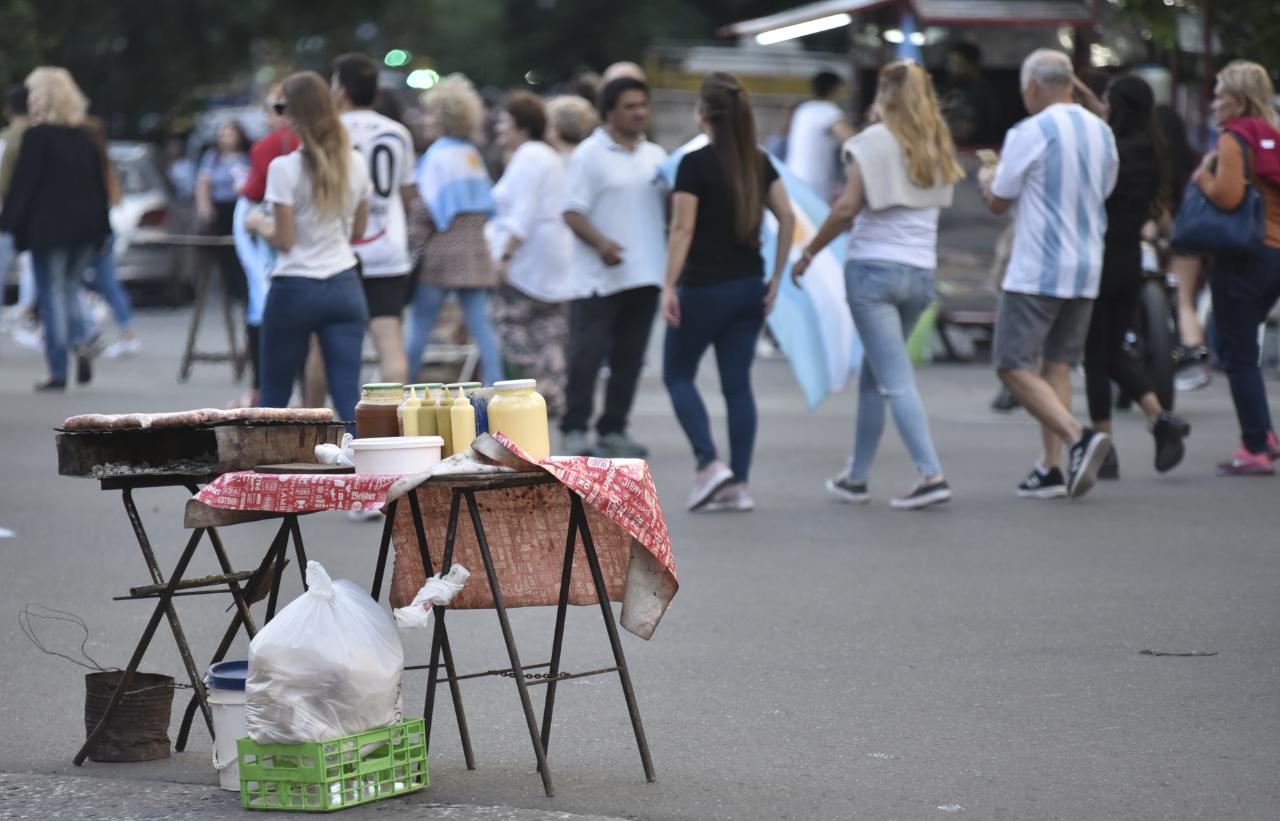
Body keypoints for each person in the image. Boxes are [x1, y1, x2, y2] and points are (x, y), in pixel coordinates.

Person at [793, 60, 962, 510]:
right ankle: (857, 476)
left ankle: (931, 475)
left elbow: (848, 208)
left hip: (873, 272)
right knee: (877, 375)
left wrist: (810, 251)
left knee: (895, 380)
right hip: (920, 274)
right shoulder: (936, 141)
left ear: (882, 94)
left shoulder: (871, 141)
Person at [980, 49, 1118, 499]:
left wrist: (987, 176)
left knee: (1012, 364)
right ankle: (1051, 467)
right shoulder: (1102, 132)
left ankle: (1079, 438)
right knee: (1056, 364)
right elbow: (1106, 189)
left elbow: (1000, 198)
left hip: (1038, 267)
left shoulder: (1029, 131)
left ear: (1034, 88)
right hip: (1086, 267)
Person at [661, 72, 793, 512]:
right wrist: (775, 278)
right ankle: (739, 484)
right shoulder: (759, 161)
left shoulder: (693, 164)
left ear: (703, 113)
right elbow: (789, 218)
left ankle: (708, 463)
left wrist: (667, 285)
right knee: (737, 387)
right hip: (748, 288)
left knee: (678, 375)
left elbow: (682, 229)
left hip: (703, 287)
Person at [245, 71, 371, 427]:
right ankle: (368, 474)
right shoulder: (355, 163)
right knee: (348, 395)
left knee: (275, 395)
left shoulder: (283, 169)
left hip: (294, 288)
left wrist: (257, 223)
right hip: (344, 283)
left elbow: (284, 240)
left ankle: (266, 477)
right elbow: (358, 230)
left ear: (292, 114)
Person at [1080, 76, 1191, 478]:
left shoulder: (1111, 152)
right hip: (1131, 261)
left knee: (1095, 356)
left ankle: (1103, 448)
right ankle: (1160, 420)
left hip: (1101, 259)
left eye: (1109, 101)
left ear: (1119, 107)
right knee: (1112, 352)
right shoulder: (1151, 152)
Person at [560, 77, 668, 458]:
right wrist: (601, 243)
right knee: (586, 357)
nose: (639, 112)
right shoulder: (590, 154)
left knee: (630, 358)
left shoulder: (656, 155)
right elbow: (571, 211)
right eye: (629, 106)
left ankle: (614, 429)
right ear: (609, 112)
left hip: (646, 274)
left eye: (643, 104)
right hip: (599, 278)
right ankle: (574, 428)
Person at [1192, 60, 1280, 476]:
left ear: (1239, 100)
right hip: (1276, 255)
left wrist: (1201, 178)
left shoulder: (1234, 139)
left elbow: (1227, 198)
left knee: (1239, 355)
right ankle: (1264, 431)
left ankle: (1256, 446)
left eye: (1220, 94)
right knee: (1238, 348)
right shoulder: (1275, 135)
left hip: (1244, 255)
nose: (1213, 103)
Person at [0, 67, 109, 391]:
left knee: (52, 295)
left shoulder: (37, 136)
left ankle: (58, 369)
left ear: (42, 98)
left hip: (48, 230)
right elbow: (98, 186)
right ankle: (82, 338)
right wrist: (103, 231)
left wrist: (10, 225)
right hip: (85, 230)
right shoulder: (84, 136)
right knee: (69, 288)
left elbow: (25, 187)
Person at [403, 74, 503, 385]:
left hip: (442, 248)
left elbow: (426, 208)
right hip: (475, 248)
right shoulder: (471, 154)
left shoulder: (437, 155)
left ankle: (403, 383)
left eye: (431, 113)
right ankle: (497, 386)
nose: (425, 120)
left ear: (443, 117)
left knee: (421, 321)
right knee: (480, 324)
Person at [332, 53, 418, 386]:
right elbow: (408, 194)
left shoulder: (329, 132)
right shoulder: (397, 132)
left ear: (341, 91)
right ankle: (393, 428)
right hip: (388, 250)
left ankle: (317, 422)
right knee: (390, 344)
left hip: (338, 252)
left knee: (325, 348)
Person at [489, 91, 574, 417]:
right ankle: (554, 397)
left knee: (508, 323)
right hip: (554, 260)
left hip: (527, 263)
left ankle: (537, 394)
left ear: (522, 127)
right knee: (550, 333)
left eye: (504, 122)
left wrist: (504, 258)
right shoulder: (550, 157)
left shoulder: (527, 158)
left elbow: (520, 216)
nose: (499, 128)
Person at [232, 83, 297, 404]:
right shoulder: (318, 146)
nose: (269, 116)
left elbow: (254, 192)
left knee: (262, 303)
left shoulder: (270, 148)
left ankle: (264, 393)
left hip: (267, 232)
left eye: (274, 109)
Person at [1155, 105, 1212, 391]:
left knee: (1158, 300)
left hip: (1158, 238)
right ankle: (1195, 356)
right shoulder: (1190, 162)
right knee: (1184, 300)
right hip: (1189, 240)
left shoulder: (1154, 161)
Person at [83, 115, 139, 358]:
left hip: (96, 233)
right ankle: (120, 330)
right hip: (102, 232)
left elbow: (99, 205)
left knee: (101, 283)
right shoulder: (102, 161)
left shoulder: (92, 164)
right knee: (101, 283)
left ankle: (124, 332)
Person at [196, 120, 252, 303]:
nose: (225, 138)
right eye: (222, 134)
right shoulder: (213, 157)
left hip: (241, 207)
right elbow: (203, 183)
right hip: (221, 208)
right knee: (224, 250)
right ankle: (231, 288)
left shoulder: (247, 156)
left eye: (229, 134)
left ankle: (245, 286)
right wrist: (205, 208)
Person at [786, 71, 855, 201]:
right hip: (813, 184)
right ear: (836, 89)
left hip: (794, 179)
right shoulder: (828, 111)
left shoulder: (804, 109)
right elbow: (854, 140)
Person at [1, 85, 30, 299]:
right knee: (34, 270)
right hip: (35, 213)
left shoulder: (5, 139)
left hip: (8, 213)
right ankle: (28, 315)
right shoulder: (43, 135)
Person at [940, 43, 999, 146]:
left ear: (970, 64)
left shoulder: (977, 93)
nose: (950, 67)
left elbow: (963, 133)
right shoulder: (958, 89)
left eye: (956, 63)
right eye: (949, 63)